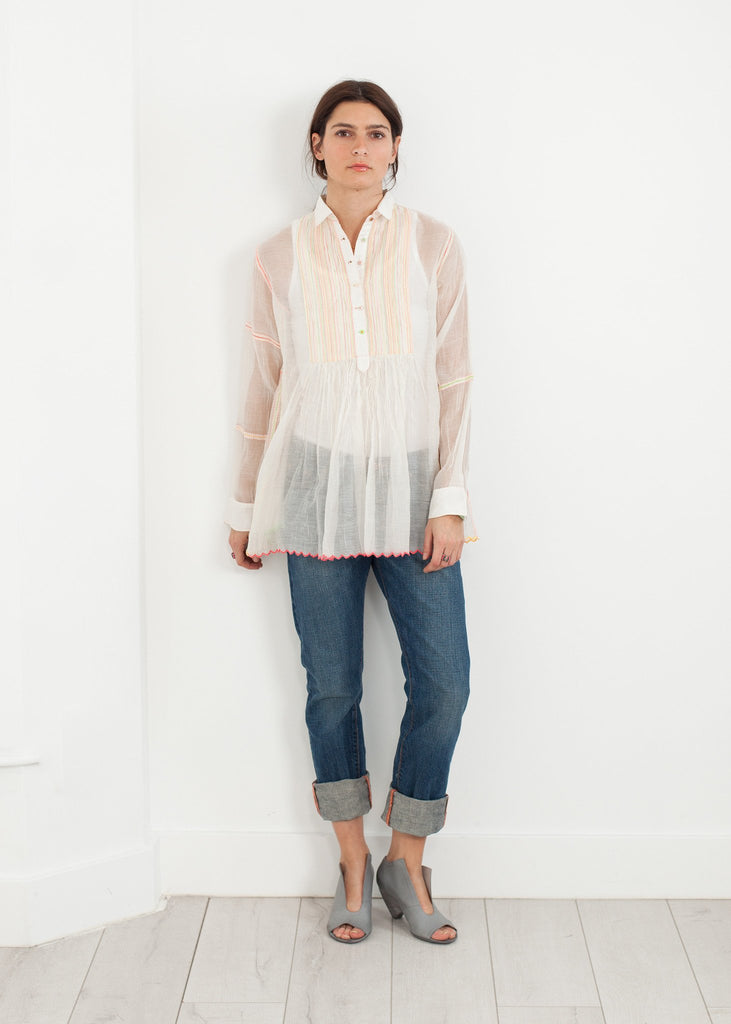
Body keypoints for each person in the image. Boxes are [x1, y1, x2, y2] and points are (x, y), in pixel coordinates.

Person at [226, 80, 475, 945]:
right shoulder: (277, 256)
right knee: (330, 688)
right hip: (312, 492)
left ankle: (405, 859)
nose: (360, 146)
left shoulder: (434, 244)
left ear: (395, 148)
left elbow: (455, 380)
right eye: (343, 132)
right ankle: (348, 861)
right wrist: (245, 504)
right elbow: (263, 388)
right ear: (317, 145)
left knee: (444, 683)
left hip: (413, 494)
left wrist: (449, 500)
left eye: (376, 132)